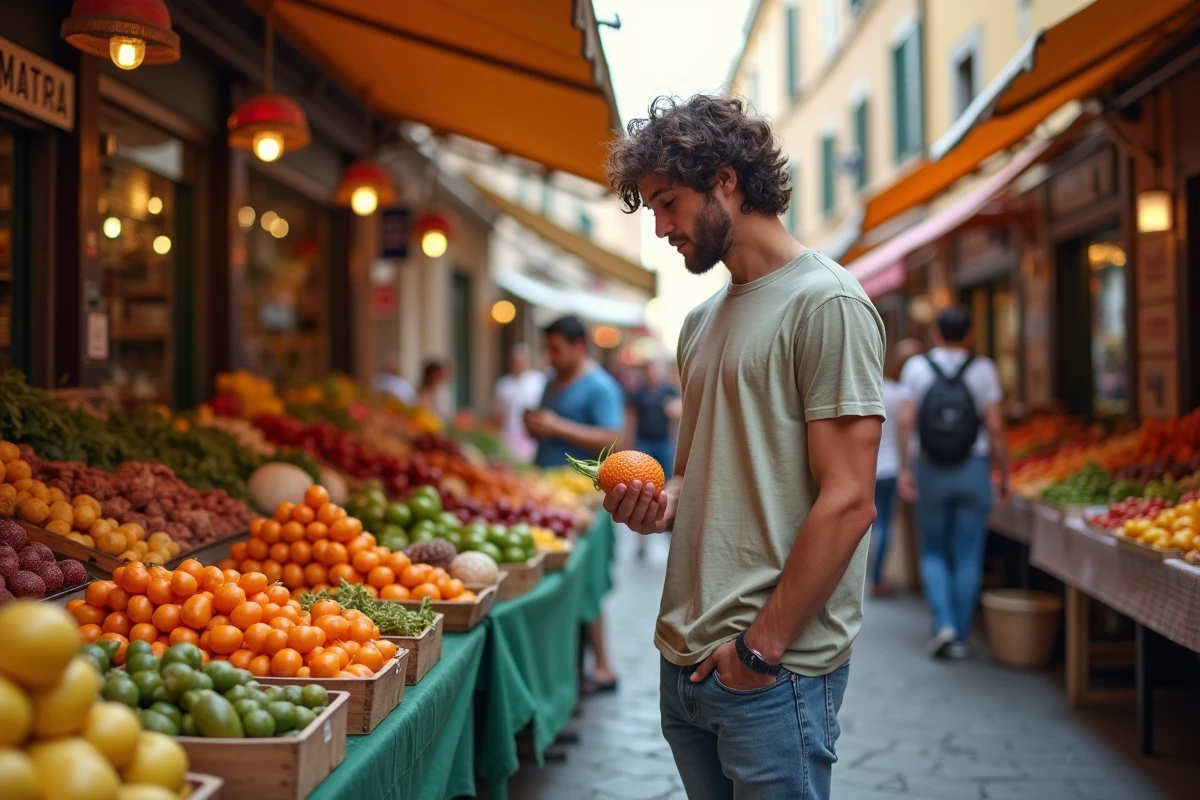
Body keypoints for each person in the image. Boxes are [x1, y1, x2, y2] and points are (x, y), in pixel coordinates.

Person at [602, 94, 884, 799]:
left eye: (668, 203)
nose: (662, 228)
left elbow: (849, 500)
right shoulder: (699, 323)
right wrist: (656, 504)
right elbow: (694, 475)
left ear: (726, 179)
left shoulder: (828, 304)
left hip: (769, 671)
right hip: (685, 663)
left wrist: (760, 650)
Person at [897, 306, 1010, 659]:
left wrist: (905, 469)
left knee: (932, 550)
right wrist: (1004, 471)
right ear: (970, 335)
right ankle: (960, 635)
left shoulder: (916, 368)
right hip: (973, 468)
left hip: (930, 468)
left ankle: (942, 624)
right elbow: (994, 426)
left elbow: (904, 423)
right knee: (968, 553)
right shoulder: (983, 369)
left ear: (935, 334)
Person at [524, 314, 625, 694]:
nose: (550, 356)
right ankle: (566, 671)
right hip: (547, 498)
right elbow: (547, 425)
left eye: (556, 349)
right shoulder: (551, 382)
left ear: (578, 346)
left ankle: (602, 666)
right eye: (547, 348)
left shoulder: (600, 386)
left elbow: (613, 437)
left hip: (586, 505)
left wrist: (555, 427)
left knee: (588, 586)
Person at [625, 359, 681, 558]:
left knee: (666, 490)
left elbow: (678, 412)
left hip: (663, 443)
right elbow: (631, 419)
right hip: (643, 444)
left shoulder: (668, 391)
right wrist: (628, 446)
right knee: (641, 491)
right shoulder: (638, 393)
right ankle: (641, 541)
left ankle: (668, 538)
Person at [871, 345, 913, 597]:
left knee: (866, 522)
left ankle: (866, 574)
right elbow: (906, 428)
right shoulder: (903, 395)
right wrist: (906, 466)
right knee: (885, 522)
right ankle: (877, 577)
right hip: (892, 466)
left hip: (869, 466)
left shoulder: (874, 388)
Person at [492, 343, 547, 462]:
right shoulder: (503, 385)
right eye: (516, 361)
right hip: (508, 434)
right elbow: (498, 415)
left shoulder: (538, 381)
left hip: (530, 437)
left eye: (522, 361)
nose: (519, 364)